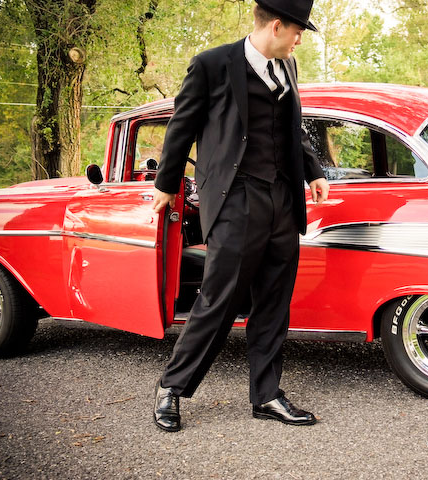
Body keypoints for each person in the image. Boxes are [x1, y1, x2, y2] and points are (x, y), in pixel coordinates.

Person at [151, 0, 329, 432]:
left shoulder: (288, 67)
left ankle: (266, 395)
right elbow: (182, 126)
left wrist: (313, 171)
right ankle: (171, 389)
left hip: (283, 201)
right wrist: (165, 185)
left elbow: (292, 125)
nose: (300, 39)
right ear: (277, 26)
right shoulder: (212, 65)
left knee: (273, 301)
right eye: (298, 31)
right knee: (219, 299)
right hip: (235, 198)